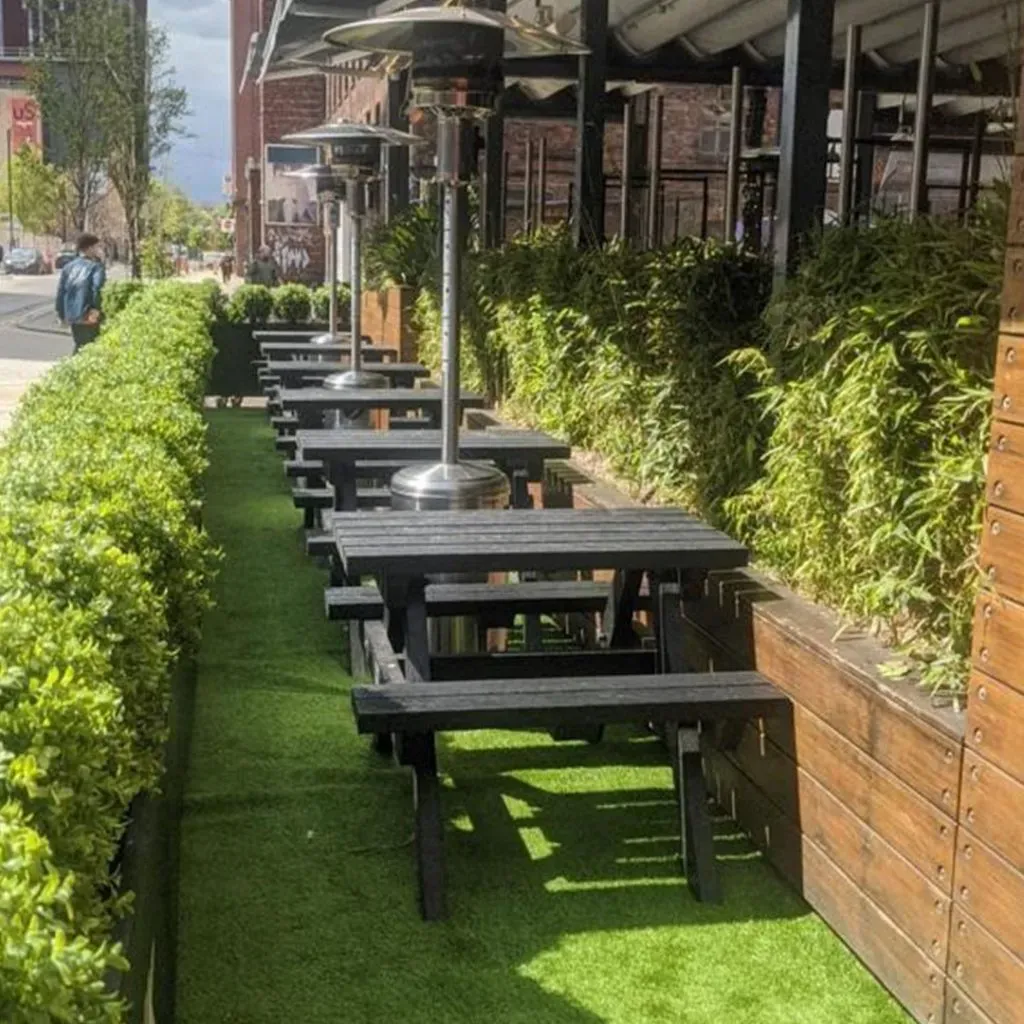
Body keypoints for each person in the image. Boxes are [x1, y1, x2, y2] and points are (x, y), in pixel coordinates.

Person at [56, 233, 106, 353]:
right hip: (88, 313)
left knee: (80, 343)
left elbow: (61, 292)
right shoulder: (96, 267)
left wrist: (61, 314)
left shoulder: (68, 267)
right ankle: (72, 370)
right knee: (89, 346)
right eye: (97, 247)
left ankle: (72, 368)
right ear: (89, 248)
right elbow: (97, 289)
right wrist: (96, 310)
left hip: (72, 314)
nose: (99, 250)